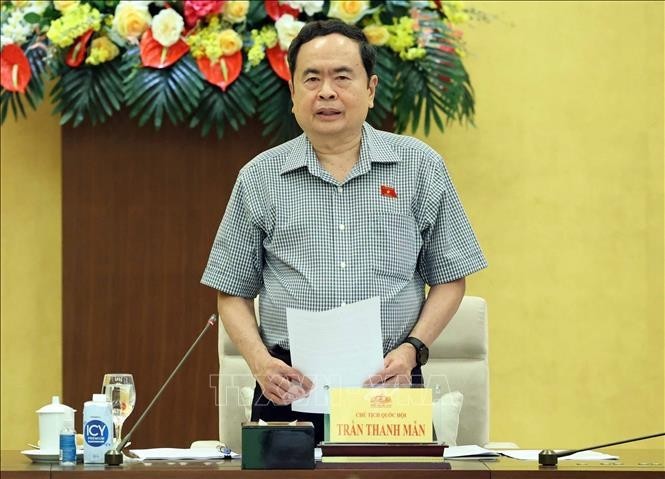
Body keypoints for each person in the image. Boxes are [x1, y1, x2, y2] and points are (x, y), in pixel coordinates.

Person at [201, 20, 487, 443]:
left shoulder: (419, 166)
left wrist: (412, 351)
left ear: (370, 90)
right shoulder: (259, 178)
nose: (327, 92)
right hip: (289, 386)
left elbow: (450, 280)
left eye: (342, 76)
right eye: (312, 79)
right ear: (293, 94)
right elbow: (231, 292)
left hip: (389, 383)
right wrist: (261, 364)